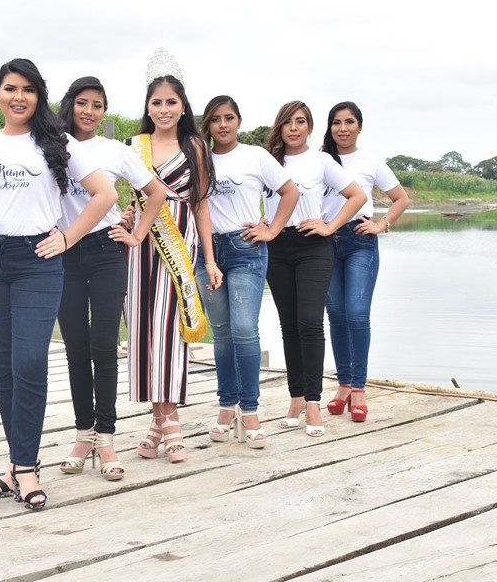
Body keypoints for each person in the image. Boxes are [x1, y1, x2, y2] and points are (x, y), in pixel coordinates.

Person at [0, 59, 117, 510]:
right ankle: (20, 462)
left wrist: (68, 237)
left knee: (29, 362)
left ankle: (24, 467)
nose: (18, 97)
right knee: (4, 367)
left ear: (39, 96)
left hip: (37, 263)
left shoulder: (57, 143)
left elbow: (105, 195)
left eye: (27, 89)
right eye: (10, 88)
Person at [54, 76, 167, 480]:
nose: (89, 111)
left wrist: (136, 235)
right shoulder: (50, 144)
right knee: (75, 348)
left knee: (103, 347)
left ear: (104, 112)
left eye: (97, 105)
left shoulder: (114, 150)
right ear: (70, 104)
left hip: (106, 252)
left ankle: (106, 438)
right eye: (82, 102)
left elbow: (156, 193)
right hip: (63, 253)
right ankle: (82, 434)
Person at [111, 48, 220, 462]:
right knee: (142, 330)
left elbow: (202, 205)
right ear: (147, 106)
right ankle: (160, 421)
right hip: (139, 247)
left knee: (171, 331)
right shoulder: (132, 146)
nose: (163, 109)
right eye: (156, 102)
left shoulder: (195, 146)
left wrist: (209, 259)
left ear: (183, 105)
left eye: (171, 102)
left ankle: (168, 421)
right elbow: (126, 197)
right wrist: (127, 215)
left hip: (179, 243)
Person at [195, 95, 299, 448]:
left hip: (245, 250)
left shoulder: (255, 156)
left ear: (238, 121)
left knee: (243, 329)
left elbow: (289, 192)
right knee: (222, 333)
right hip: (208, 251)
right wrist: (209, 259)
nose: (222, 125)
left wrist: (272, 230)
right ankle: (227, 406)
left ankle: (250, 410)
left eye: (229, 118)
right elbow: (198, 208)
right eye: (215, 119)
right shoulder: (200, 158)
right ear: (208, 125)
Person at [264, 101, 367, 437]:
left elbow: (357, 196)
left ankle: (313, 402)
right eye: (287, 122)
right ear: (279, 127)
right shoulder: (268, 161)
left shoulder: (321, 160)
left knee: (309, 321)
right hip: (276, 247)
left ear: (309, 127)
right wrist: (262, 223)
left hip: (313, 246)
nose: (293, 128)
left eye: (300, 122)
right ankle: (295, 399)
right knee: (289, 325)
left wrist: (330, 226)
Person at [321, 101, 409, 423]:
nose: (342, 128)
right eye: (336, 122)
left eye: (349, 122)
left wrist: (381, 224)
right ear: (330, 127)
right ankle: (343, 385)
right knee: (336, 315)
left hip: (359, 240)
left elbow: (401, 199)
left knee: (357, 314)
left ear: (359, 127)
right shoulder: (320, 160)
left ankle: (358, 388)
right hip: (325, 242)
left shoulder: (370, 161)